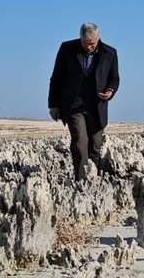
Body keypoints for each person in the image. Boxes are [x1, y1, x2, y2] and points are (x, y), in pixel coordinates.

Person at [48, 22, 120, 181]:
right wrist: (53, 104)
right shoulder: (67, 49)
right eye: (85, 43)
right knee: (80, 142)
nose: (88, 47)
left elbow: (114, 79)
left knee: (95, 144)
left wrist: (110, 91)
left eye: (92, 44)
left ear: (98, 39)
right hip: (73, 105)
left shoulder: (110, 53)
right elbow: (56, 77)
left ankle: (92, 178)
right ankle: (81, 181)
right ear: (80, 38)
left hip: (97, 106)